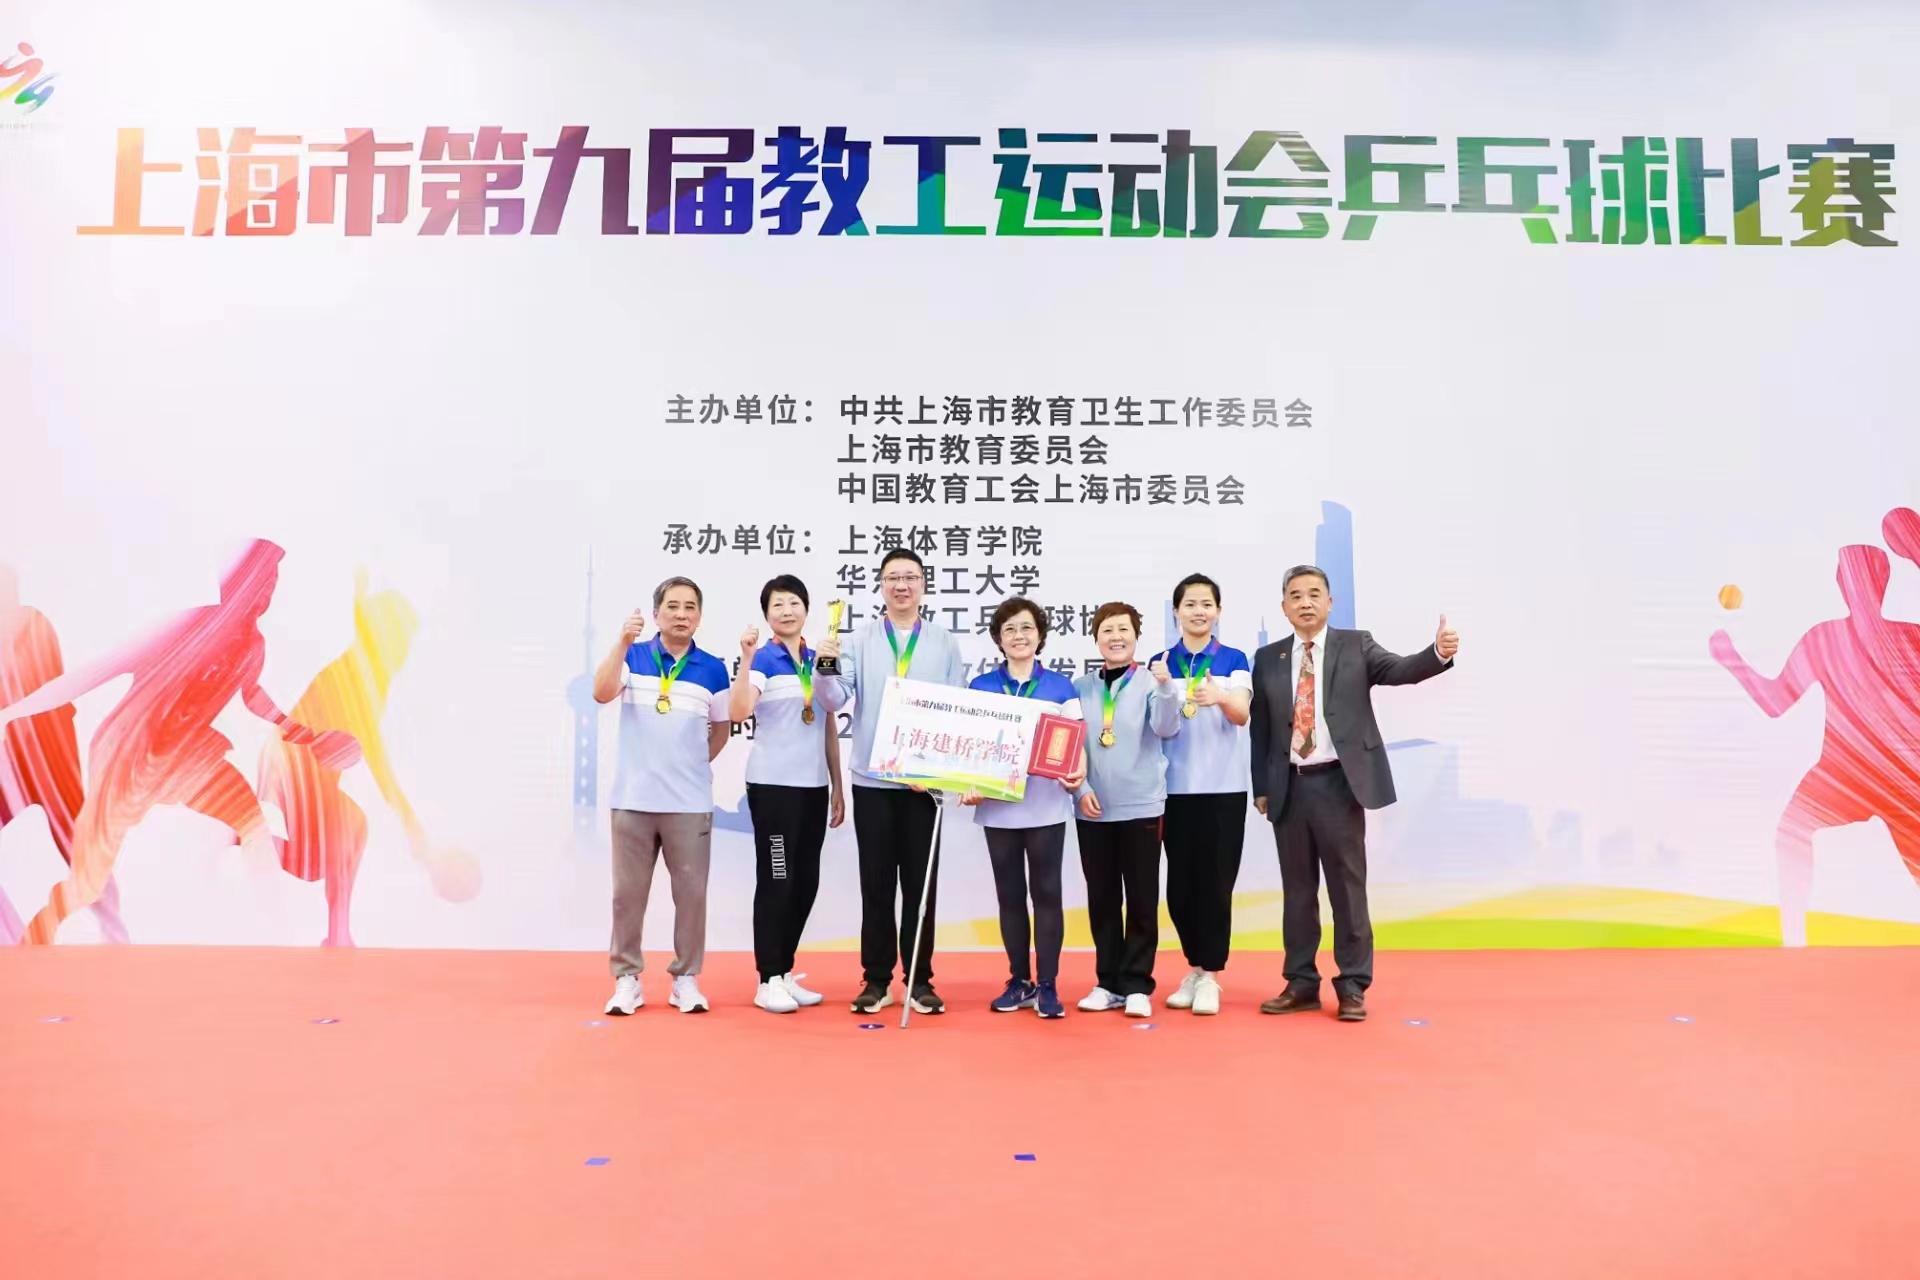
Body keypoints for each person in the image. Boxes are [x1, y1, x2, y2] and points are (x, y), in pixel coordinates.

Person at [0, 541, 361, 945]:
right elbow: (98, 671)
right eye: (263, 580)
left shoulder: (252, 645)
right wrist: (15, 711)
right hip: (131, 755)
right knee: (88, 881)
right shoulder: (182, 628)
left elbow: (251, 694)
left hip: (191, 756)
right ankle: (40, 932)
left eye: (272, 581)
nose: (268, 591)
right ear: (238, 584)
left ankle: (279, 939)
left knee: (252, 824)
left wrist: (300, 731)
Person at [1250, 565, 1458, 1022]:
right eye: (1295, 595)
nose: (1305, 602)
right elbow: (1260, 728)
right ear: (1283, 607)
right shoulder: (1267, 658)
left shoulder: (1356, 644)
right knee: (1297, 893)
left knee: (1347, 890)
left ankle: (1352, 985)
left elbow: (1401, 670)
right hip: (1289, 787)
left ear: (1330, 602)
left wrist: (1437, 654)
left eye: (1314, 594)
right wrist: (1261, 788)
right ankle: (1300, 982)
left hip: (1339, 785)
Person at [1710, 512, 1920, 948]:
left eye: (1852, 577)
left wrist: (1731, 659)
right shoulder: (1869, 638)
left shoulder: (1840, 638)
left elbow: (1773, 703)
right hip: (1872, 775)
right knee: (1793, 829)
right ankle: (1793, 941)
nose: (1851, 584)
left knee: (1793, 830)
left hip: (1875, 775)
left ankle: (1794, 940)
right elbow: (1776, 705)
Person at [817, 547, 968, 1015]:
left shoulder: (943, 642)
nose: (902, 585)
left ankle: (920, 981)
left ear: (923, 584)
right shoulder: (859, 639)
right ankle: (877, 980)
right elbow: (835, 699)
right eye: (893, 578)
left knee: (922, 887)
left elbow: (957, 708)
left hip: (924, 785)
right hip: (873, 780)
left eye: (910, 577)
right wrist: (824, 666)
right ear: (881, 586)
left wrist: (940, 772)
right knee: (877, 884)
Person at [593, 576, 731, 1016]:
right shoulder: (634, 655)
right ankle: (626, 979)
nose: (681, 614)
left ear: (700, 617)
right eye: (672, 606)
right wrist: (621, 641)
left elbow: (722, 728)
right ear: (656, 614)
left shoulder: (713, 668)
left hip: (689, 804)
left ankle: (685, 978)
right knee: (627, 896)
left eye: (690, 607)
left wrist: (692, 765)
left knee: (691, 896)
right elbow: (600, 692)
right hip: (633, 800)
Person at [729, 574, 848, 1014]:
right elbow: (740, 710)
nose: (786, 611)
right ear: (767, 614)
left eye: (794, 602)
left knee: (804, 882)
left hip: (813, 787)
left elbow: (829, 718)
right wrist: (745, 659)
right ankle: (767, 978)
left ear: (806, 610)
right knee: (777, 878)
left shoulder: (819, 658)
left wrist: (837, 785)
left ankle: (783, 972)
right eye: (777, 604)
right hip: (773, 787)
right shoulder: (763, 658)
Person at [962, 598, 1086, 1019]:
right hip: (998, 807)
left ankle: (1048, 985)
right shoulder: (981, 687)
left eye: (1027, 628)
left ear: (1040, 635)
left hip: (1047, 806)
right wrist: (969, 784)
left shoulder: (1061, 688)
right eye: (1010, 629)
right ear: (999, 638)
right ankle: (1019, 981)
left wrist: (1077, 774)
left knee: (1047, 894)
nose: (1019, 636)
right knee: (1010, 896)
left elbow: (1076, 745)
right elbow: (968, 746)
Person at [0, 564, 130, 944]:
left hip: (46, 760)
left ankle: (115, 934)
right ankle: (9, 937)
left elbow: (51, 695)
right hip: (11, 761)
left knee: (79, 845)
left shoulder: (34, 626)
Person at [1072, 601, 1184, 1018]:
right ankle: (1108, 982)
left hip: (1142, 806)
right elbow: (1069, 744)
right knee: (1101, 899)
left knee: (1140, 898)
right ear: (1096, 639)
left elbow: (1166, 728)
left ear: (1136, 637)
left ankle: (1137, 984)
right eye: (1107, 630)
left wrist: (1168, 689)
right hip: (1092, 808)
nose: (1115, 637)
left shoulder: (1153, 683)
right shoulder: (1080, 687)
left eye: (1124, 629)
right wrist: (1080, 789)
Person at [1151, 573, 1254, 1016]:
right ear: (1176, 611)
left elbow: (1242, 714)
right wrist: (1162, 688)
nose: (1198, 611)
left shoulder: (1233, 659)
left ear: (1218, 611)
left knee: (1216, 885)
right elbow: (1159, 727)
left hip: (1223, 789)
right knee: (1179, 889)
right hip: (1173, 790)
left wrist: (1221, 696)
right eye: (1190, 604)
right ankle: (1194, 968)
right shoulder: (1160, 662)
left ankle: (1210, 976)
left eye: (1206, 604)